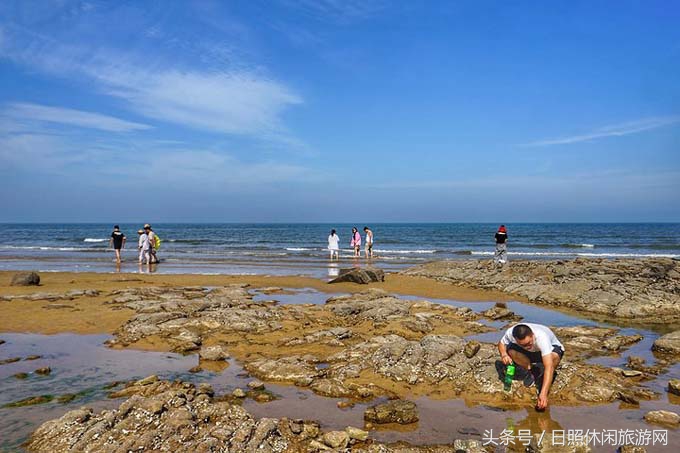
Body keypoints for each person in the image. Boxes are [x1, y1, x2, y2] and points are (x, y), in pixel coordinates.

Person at [498, 323, 565, 410]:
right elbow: (501, 343)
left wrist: (543, 394)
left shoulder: (542, 337)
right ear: (515, 339)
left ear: (532, 335)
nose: (527, 346)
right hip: (531, 354)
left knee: (553, 358)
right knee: (511, 351)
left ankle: (542, 376)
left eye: (529, 343)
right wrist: (504, 355)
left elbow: (549, 367)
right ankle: (532, 371)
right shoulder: (511, 333)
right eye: (523, 345)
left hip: (549, 351)